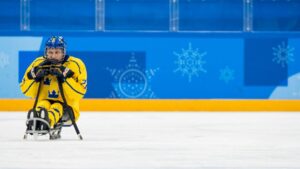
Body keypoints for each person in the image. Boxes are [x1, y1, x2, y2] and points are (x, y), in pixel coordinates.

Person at [20, 36, 87, 131]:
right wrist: (35, 78)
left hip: (68, 108)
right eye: (50, 52)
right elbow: (26, 91)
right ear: (46, 52)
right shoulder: (38, 63)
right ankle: (36, 120)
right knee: (42, 105)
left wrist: (65, 79)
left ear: (63, 52)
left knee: (57, 107)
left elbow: (79, 94)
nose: (53, 56)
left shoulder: (76, 64)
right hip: (43, 102)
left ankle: (46, 122)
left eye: (57, 52)